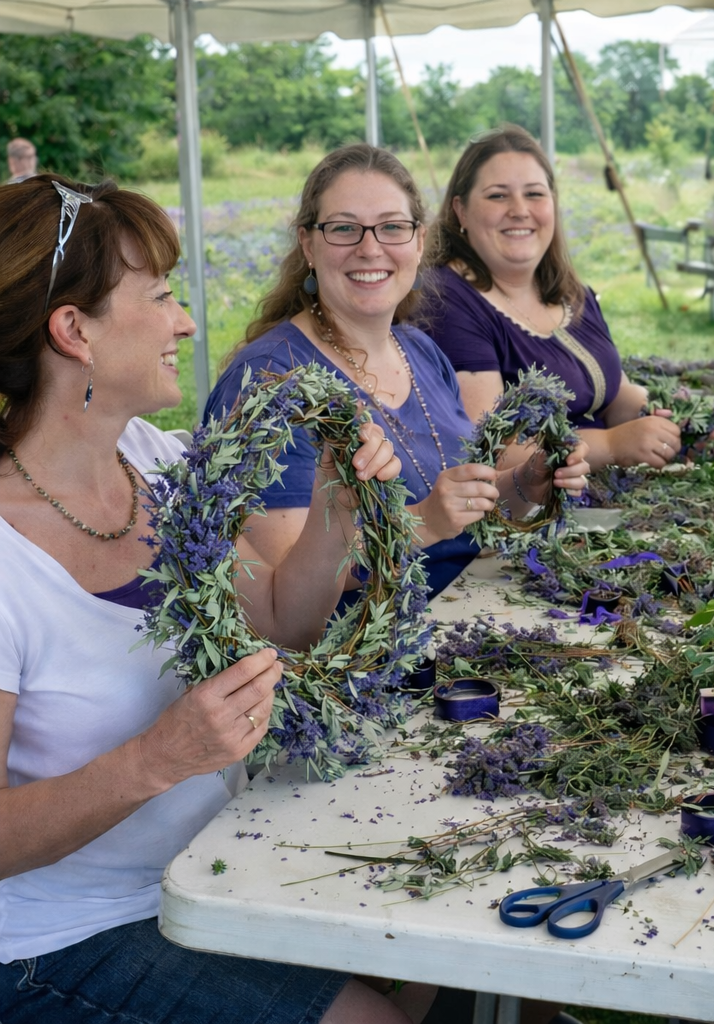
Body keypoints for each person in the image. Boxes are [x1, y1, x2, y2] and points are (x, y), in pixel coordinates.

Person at [0, 174, 437, 1024]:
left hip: (204, 870)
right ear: (72, 330)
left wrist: (334, 519)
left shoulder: (156, 464)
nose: (186, 322)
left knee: (428, 943)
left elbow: (279, 620)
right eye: (161, 297)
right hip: (53, 942)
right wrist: (156, 759)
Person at [206, 144, 589, 601]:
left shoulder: (420, 351)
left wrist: (526, 481)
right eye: (344, 229)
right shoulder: (270, 378)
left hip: (466, 615)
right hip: (353, 658)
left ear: (420, 241)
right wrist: (423, 522)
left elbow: (463, 505)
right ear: (308, 244)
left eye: (392, 227)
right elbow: (282, 580)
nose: (371, 249)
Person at [421, 124, 683, 473]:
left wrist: (665, 417)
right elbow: (485, 445)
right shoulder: (447, 298)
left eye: (534, 194)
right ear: (461, 210)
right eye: (498, 195)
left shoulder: (571, 293)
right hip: (526, 512)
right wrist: (612, 445)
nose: (519, 210)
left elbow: (612, 393)